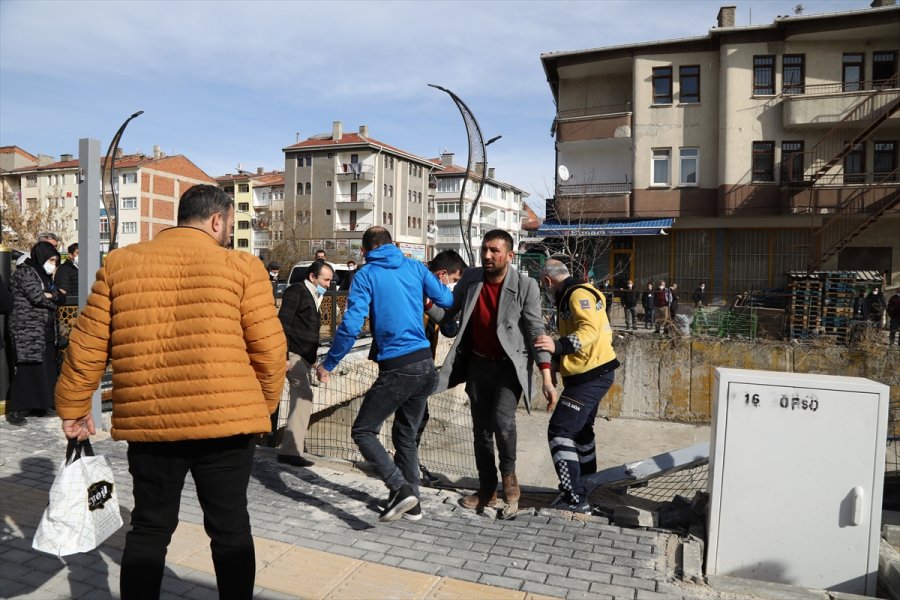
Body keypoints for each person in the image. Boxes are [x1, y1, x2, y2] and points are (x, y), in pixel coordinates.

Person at [55, 184, 287, 599]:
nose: (229, 234)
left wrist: (73, 406)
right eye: (230, 225)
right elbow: (270, 351)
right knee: (230, 527)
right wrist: (261, 408)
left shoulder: (122, 264)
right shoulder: (243, 268)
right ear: (217, 220)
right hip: (226, 425)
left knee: (149, 528)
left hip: (151, 424)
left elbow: (87, 343)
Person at [315, 227, 454, 522]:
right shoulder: (415, 267)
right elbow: (448, 300)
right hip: (425, 364)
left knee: (363, 431)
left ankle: (400, 489)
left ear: (364, 252)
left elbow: (351, 326)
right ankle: (413, 504)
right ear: (392, 244)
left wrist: (328, 364)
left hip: (398, 367)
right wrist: (423, 297)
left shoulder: (366, 275)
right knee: (404, 434)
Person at [429, 230, 555, 511]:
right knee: (481, 430)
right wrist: (425, 302)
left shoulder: (525, 286)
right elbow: (449, 316)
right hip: (477, 364)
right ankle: (487, 489)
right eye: (485, 249)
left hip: (509, 366)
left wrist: (546, 377)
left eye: (494, 251)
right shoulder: (472, 279)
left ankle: (508, 474)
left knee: (502, 421)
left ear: (509, 256)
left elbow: (536, 331)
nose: (487, 255)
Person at [535, 260, 619, 513]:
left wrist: (557, 346)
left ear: (548, 281)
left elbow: (590, 330)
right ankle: (587, 483)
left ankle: (574, 496)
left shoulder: (577, 293)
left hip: (590, 376)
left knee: (559, 431)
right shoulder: (575, 293)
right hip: (592, 373)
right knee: (582, 433)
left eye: (543, 285)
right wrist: (561, 363)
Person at [277, 261, 334, 468]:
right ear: (312, 277)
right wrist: (283, 356)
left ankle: (291, 447)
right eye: (325, 280)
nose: (329, 285)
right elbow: (283, 323)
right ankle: (290, 451)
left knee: (302, 396)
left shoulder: (314, 295)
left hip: (303, 356)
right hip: (293, 354)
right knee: (303, 396)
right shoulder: (297, 291)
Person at [417, 249, 467, 485]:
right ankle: (406, 468)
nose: (453, 287)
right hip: (408, 363)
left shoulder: (433, 297)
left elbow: (449, 329)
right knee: (414, 417)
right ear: (442, 274)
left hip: (423, 364)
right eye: (454, 281)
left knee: (418, 416)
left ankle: (407, 464)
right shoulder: (413, 289)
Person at [6, 241, 65, 425]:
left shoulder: (44, 276)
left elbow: (56, 295)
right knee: (28, 368)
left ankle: (40, 404)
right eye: (51, 259)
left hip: (45, 329)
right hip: (28, 329)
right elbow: (38, 297)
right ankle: (15, 408)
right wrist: (54, 297)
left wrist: (52, 295)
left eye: (55, 261)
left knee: (45, 367)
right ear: (40, 257)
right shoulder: (25, 272)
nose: (53, 264)